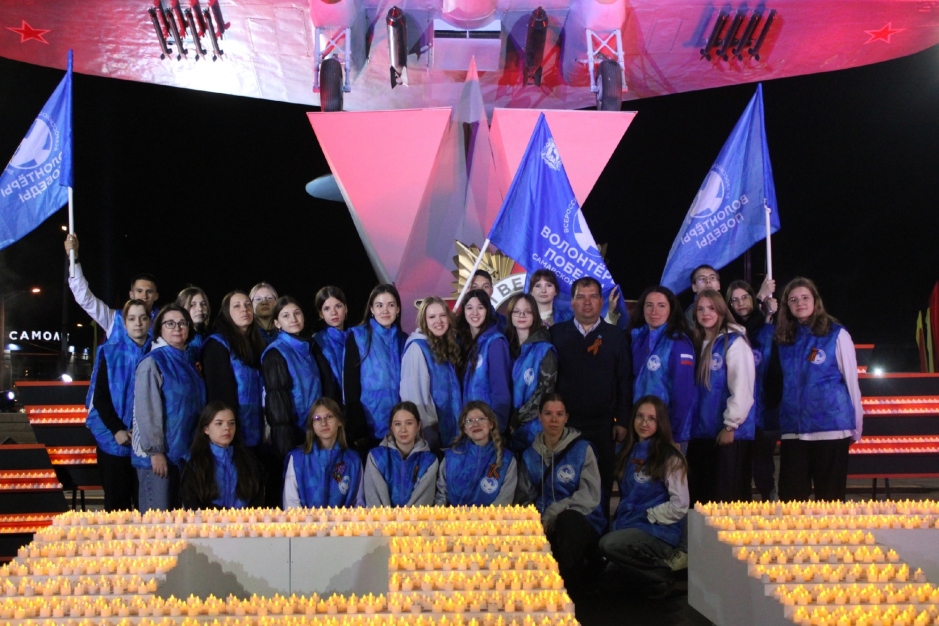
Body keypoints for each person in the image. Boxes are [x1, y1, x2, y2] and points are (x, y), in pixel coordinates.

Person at [775, 277, 863, 502]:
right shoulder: (784, 338)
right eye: (793, 299)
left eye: (805, 297)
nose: (800, 303)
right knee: (791, 501)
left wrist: (857, 424)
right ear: (787, 305)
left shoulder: (836, 334)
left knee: (830, 501)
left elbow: (852, 382)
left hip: (831, 428)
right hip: (794, 430)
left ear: (815, 300)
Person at [550, 276, 632, 509]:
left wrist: (622, 421)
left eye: (593, 297)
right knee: (565, 482)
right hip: (566, 425)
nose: (587, 302)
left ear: (601, 302)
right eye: (581, 297)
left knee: (602, 485)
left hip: (603, 426)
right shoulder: (556, 334)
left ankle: (601, 530)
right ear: (572, 302)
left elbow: (624, 381)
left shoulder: (615, 336)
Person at [598, 396, 689, 600]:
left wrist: (649, 515)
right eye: (639, 416)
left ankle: (662, 574)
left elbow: (680, 504)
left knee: (608, 544)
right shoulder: (625, 451)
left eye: (651, 418)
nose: (644, 423)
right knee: (608, 584)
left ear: (660, 422)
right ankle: (648, 581)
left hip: (657, 530)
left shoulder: (670, 457)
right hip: (628, 527)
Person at [515, 394, 604, 590]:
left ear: (566, 417)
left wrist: (553, 513)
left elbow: (589, 496)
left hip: (579, 522)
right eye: (548, 414)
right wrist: (535, 520)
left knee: (568, 521)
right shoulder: (530, 456)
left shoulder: (582, 450)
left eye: (559, 414)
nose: (554, 419)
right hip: (544, 523)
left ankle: (567, 589)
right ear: (540, 417)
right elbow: (524, 497)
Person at [132, 304, 206, 511]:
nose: (177, 328)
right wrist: (155, 452)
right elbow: (147, 411)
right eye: (170, 323)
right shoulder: (152, 362)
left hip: (185, 456)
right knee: (158, 521)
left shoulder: (189, 362)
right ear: (159, 328)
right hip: (159, 458)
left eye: (183, 323)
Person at [686, 289, 755, 504]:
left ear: (722, 311)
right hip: (701, 433)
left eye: (711, 308)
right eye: (700, 309)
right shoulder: (695, 343)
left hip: (727, 434)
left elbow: (742, 387)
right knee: (701, 500)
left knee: (725, 501)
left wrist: (730, 426)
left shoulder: (734, 342)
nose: (705, 313)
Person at [84, 299, 151, 511]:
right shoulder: (109, 352)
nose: (138, 323)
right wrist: (117, 429)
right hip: (113, 441)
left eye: (143, 318)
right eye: (132, 318)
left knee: (146, 508)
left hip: (146, 445)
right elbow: (100, 397)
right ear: (124, 323)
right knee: (116, 509)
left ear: (150, 321)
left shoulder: (158, 352)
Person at [261, 296, 327, 506]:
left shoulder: (308, 348)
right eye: (286, 315)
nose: (293, 319)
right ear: (277, 323)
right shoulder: (275, 353)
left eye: (297, 313)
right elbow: (277, 405)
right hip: (295, 437)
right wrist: (286, 450)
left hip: (314, 432)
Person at [726, 279, 781, 501]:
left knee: (763, 469)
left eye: (745, 297)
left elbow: (777, 372)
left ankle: (770, 506)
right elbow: (743, 330)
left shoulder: (769, 331)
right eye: (734, 300)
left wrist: (772, 403)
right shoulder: (728, 333)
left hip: (764, 413)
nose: (740, 303)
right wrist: (760, 300)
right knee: (739, 470)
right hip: (737, 414)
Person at [626, 286, 695, 448]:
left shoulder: (679, 343)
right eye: (649, 305)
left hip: (667, 430)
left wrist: (675, 434)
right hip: (640, 427)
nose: (654, 311)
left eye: (661, 305)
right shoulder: (637, 339)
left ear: (671, 310)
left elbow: (683, 393)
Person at [344, 284, 407, 450]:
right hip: (370, 425)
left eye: (391, 305)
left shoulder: (404, 339)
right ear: (371, 309)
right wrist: (358, 428)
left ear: (398, 309)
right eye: (379, 305)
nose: (385, 310)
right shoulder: (358, 336)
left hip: (402, 426)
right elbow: (350, 384)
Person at [63, 233, 159, 339]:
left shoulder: (164, 322)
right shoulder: (113, 319)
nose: (144, 296)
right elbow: (84, 298)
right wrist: (74, 258)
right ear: (131, 294)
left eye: (149, 292)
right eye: (139, 291)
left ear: (156, 296)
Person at [202, 291, 266, 449]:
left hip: (256, 428)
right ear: (226, 313)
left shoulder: (256, 343)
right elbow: (219, 393)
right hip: (232, 432)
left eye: (248, 305)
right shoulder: (217, 344)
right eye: (237, 306)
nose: (244, 309)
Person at [400, 297, 462, 450]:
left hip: (452, 434)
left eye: (442, 315)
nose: (438, 321)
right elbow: (414, 396)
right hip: (433, 437)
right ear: (424, 321)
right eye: (432, 317)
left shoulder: (447, 345)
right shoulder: (417, 348)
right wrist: (428, 432)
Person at [179, 401, 264, 509]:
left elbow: (256, 500)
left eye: (231, 423)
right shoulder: (192, 463)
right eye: (219, 423)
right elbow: (191, 504)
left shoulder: (249, 460)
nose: (227, 428)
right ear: (206, 429)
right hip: (206, 519)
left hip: (244, 519)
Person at [283, 398, 365, 508]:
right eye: (317, 419)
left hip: (344, 519)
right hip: (304, 519)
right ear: (312, 425)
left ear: (340, 421)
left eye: (329, 417)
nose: (323, 423)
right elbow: (291, 503)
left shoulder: (353, 460)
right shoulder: (297, 459)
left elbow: (359, 503)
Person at [435, 401, 517, 506]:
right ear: (465, 429)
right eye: (469, 421)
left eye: (481, 419)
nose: (475, 424)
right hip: (452, 516)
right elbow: (441, 496)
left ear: (491, 424)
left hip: (491, 516)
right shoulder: (451, 457)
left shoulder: (507, 460)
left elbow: (504, 500)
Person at [504, 293, 557, 452]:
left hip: (534, 432)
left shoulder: (545, 350)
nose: (521, 315)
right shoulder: (505, 346)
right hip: (506, 428)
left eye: (527, 311)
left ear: (535, 315)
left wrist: (515, 421)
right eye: (516, 311)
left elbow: (544, 394)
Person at [364, 401, 439, 507]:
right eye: (397, 424)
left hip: (416, 518)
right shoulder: (376, 458)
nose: (403, 430)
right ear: (391, 427)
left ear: (418, 426)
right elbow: (374, 501)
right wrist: (387, 517)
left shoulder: (429, 462)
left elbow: (423, 502)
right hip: (382, 517)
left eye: (409, 423)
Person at [458, 289, 512, 433]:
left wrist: (497, 428)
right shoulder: (466, 344)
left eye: (480, 307)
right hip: (471, 427)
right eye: (469, 308)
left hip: (489, 429)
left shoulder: (495, 342)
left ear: (487, 310)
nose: (474, 313)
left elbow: (500, 391)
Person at [313, 286, 349, 400]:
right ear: (321, 314)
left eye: (338, 306)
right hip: (331, 402)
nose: (333, 312)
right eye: (327, 308)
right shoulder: (317, 342)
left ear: (346, 308)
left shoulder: (357, 337)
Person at [175, 287, 211, 366]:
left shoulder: (210, 334)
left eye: (203, 304)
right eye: (192, 305)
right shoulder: (177, 338)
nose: (200, 309)